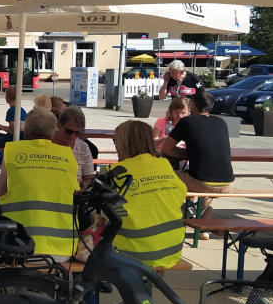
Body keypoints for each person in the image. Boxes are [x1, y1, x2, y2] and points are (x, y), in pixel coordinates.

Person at [0, 108, 78, 258]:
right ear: (53, 132)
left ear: (25, 130)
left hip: (20, 244)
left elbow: (1, 191)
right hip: (63, 247)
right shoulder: (67, 155)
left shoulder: (13, 152)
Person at [111, 120, 188, 269]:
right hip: (172, 250)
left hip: (131, 253)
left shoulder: (116, 171)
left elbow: (105, 212)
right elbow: (180, 195)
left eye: (116, 141)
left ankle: (89, 289)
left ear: (124, 143)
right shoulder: (164, 165)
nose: (115, 146)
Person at [162, 90, 233, 226]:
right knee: (203, 177)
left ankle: (171, 218)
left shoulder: (187, 122)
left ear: (193, 105)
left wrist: (186, 154)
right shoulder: (221, 122)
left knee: (166, 177)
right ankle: (202, 220)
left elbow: (166, 148)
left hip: (202, 183)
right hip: (228, 184)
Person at [51, 106, 94, 189]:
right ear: (59, 125)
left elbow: (89, 178)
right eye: (69, 131)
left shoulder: (83, 148)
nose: (73, 136)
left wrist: (84, 185)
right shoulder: (48, 143)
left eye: (78, 133)